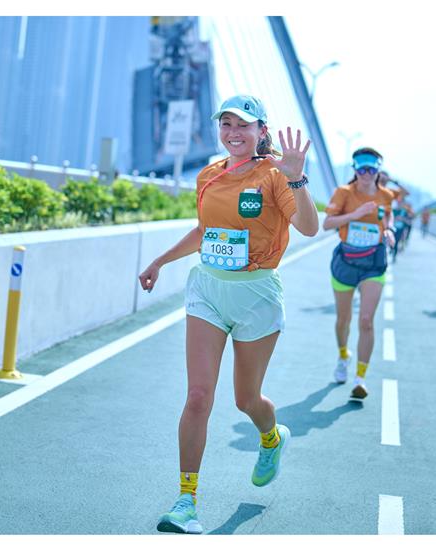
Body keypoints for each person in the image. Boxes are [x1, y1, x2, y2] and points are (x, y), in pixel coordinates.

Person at [138, 95, 319, 535]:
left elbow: (310, 227)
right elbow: (205, 231)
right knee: (198, 396)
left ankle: (271, 437)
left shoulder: (276, 174)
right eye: (227, 124)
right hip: (208, 290)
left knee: (246, 400)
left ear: (261, 131)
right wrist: (161, 261)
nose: (234, 133)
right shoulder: (208, 175)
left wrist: (297, 179)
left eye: (244, 125)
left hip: (256, 294)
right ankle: (185, 501)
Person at [324, 147, 395, 399]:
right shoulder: (344, 192)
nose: (366, 174)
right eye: (362, 169)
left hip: (373, 263)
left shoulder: (386, 195)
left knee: (366, 320)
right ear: (355, 170)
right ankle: (343, 355)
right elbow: (327, 224)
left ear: (378, 170)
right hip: (346, 260)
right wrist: (355, 215)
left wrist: (389, 230)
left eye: (371, 169)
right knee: (343, 319)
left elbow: (387, 217)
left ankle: (360, 379)